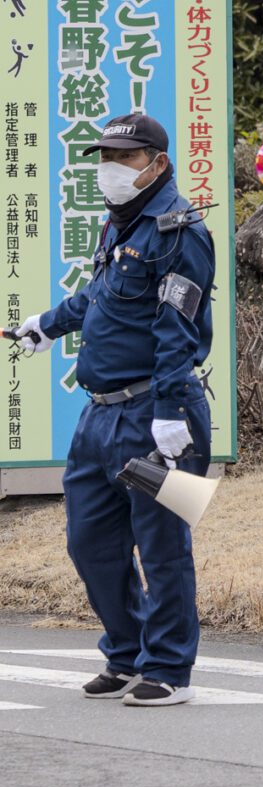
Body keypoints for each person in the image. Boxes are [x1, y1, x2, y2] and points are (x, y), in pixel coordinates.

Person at [8, 113, 216, 706]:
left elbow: (177, 326)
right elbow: (100, 298)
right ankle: (126, 655)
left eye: (124, 158)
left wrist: (170, 410)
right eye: (105, 157)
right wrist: (47, 325)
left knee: (163, 545)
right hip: (100, 414)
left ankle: (168, 669)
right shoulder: (121, 221)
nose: (111, 169)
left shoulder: (180, 231)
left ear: (157, 163)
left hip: (157, 412)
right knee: (90, 542)